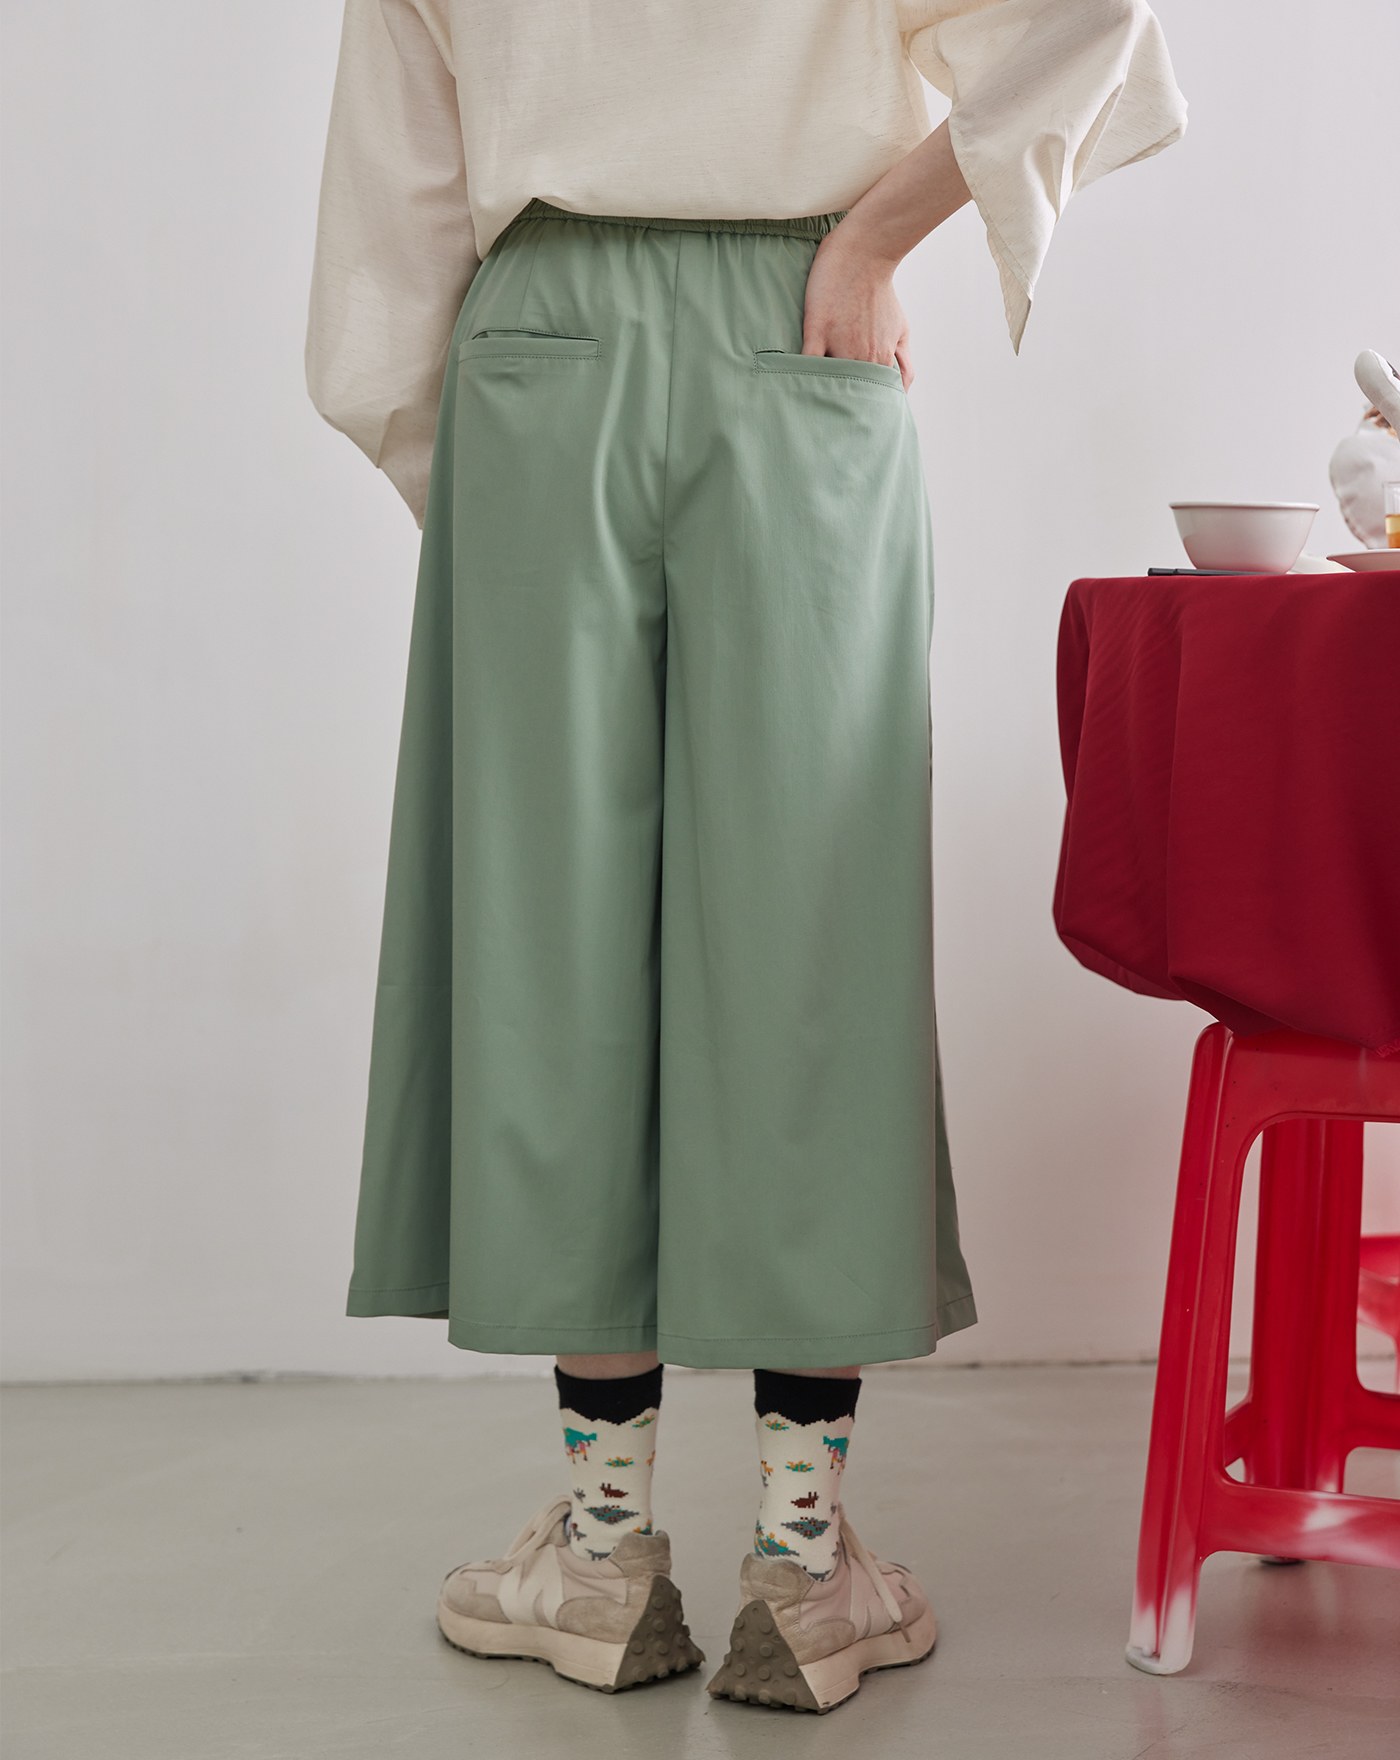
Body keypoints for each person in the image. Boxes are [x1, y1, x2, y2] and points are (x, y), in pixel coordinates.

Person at [305, 0, 1187, 1714]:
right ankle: (801, 1561)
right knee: (814, 933)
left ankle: (600, 1551)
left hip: (540, 347)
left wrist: (478, 469)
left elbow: (387, 234)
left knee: (549, 934)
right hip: (804, 318)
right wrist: (869, 239)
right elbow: (1096, 17)